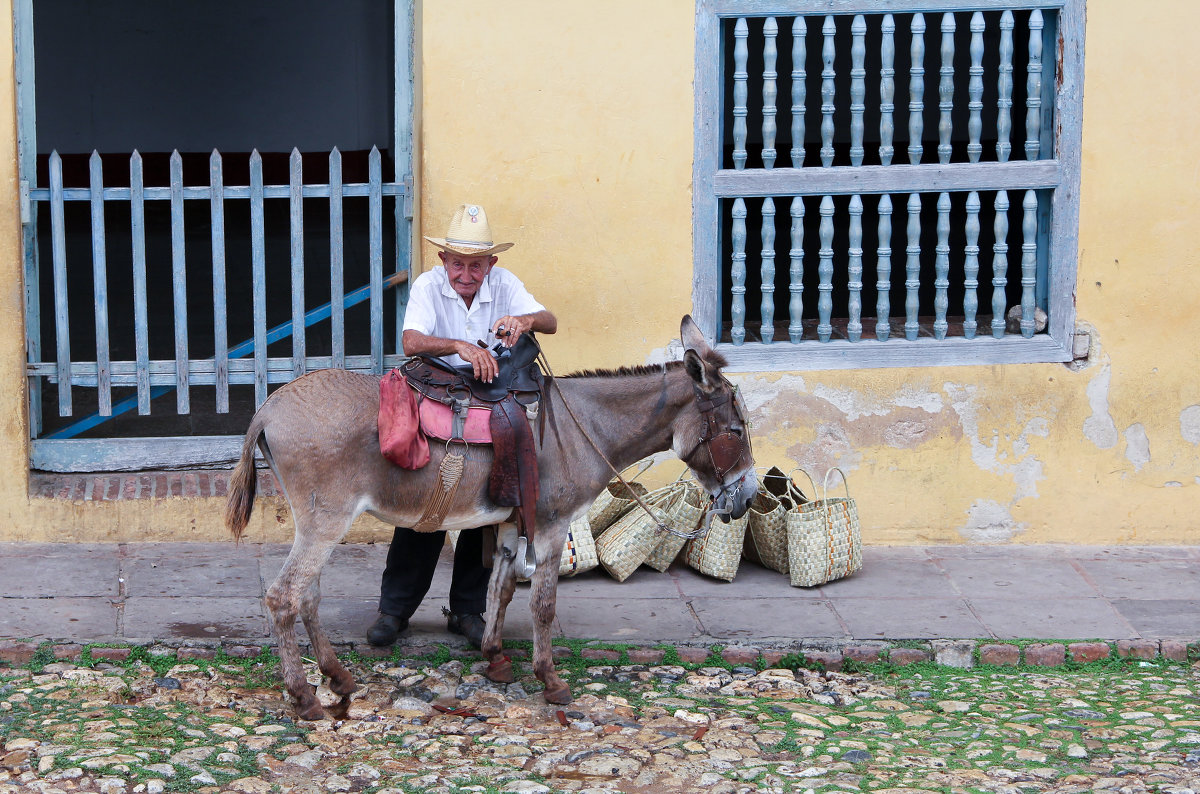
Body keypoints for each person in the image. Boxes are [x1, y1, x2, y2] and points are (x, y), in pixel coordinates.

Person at [367, 203, 557, 649]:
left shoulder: (505, 283)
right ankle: (394, 610)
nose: (466, 274)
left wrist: (524, 321)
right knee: (424, 503)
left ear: (491, 264)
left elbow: (550, 322)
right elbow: (410, 341)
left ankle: (468, 611)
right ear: (443, 261)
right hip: (436, 392)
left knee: (488, 500)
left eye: (476, 265)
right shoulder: (428, 285)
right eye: (458, 264)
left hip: (493, 394)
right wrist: (459, 345)